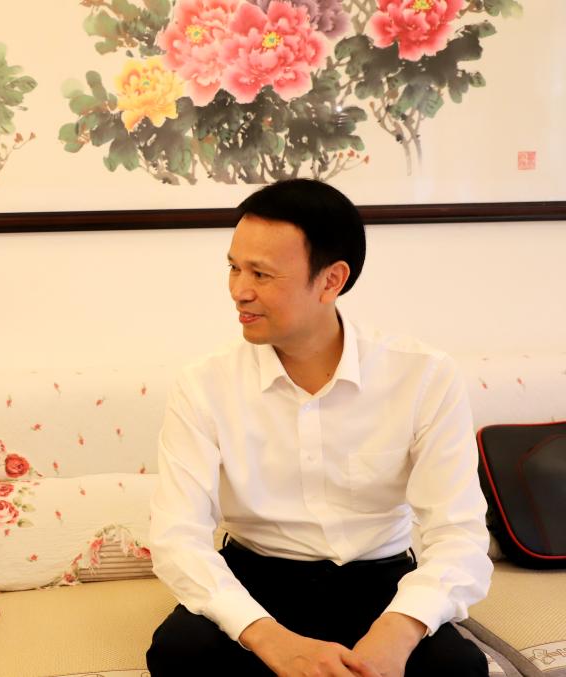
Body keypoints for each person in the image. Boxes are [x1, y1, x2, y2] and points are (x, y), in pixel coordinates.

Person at [145, 179, 492, 677]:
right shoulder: (204, 384)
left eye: (261, 274)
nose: (239, 291)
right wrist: (272, 641)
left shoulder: (424, 376)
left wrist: (398, 631)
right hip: (257, 577)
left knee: (457, 670)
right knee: (179, 653)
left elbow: (458, 532)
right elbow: (178, 537)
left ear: (331, 280)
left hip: (381, 583)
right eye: (234, 267)